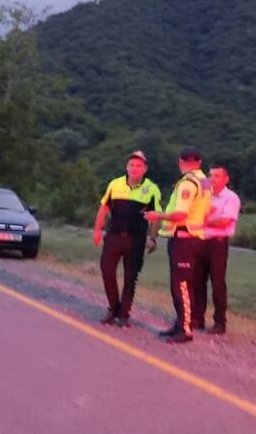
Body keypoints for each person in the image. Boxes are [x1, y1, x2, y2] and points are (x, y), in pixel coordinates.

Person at [145, 147, 212, 344]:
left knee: (181, 285)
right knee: (187, 284)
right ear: (199, 162)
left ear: (180, 162)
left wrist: (157, 215)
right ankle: (181, 323)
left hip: (183, 239)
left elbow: (180, 214)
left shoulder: (187, 183)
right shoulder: (204, 182)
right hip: (196, 238)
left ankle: (185, 328)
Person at [92, 150, 162, 327]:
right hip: (114, 235)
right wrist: (97, 229)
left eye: (138, 165)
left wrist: (153, 238)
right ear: (126, 167)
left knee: (131, 276)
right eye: (131, 165)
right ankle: (113, 308)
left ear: (145, 169)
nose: (134, 168)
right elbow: (104, 208)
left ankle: (124, 314)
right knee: (107, 271)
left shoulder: (152, 189)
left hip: (136, 238)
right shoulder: (115, 184)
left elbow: (156, 216)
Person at [194, 164, 241, 335]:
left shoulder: (231, 197)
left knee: (217, 283)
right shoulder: (204, 195)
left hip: (217, 244)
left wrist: (202, 221)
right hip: (201, 241)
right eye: (210, 175)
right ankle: (197, 318)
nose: (212, 178)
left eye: (217, 175)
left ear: (226, 179)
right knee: (198, 281)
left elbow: (225, 220)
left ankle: (220, 322)